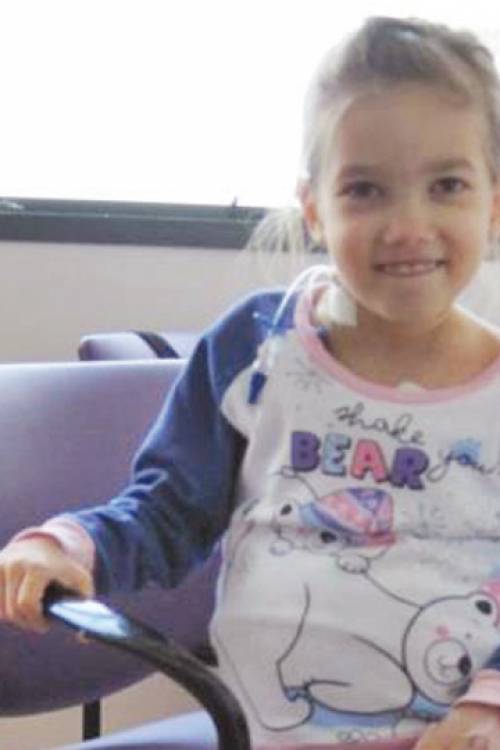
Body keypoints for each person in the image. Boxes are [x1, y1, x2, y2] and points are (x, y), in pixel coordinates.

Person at [2, 15, 500, 750]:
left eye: (447, 185)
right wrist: (70, 545)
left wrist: (489, 706)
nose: (407, 225)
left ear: (493, 202)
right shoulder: (258, 347)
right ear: (315, 209)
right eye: (364, 189)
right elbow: (167, 512)